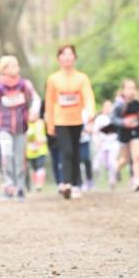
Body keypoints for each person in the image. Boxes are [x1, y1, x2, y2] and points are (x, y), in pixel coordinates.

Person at [44, 44, 95, 200]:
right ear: (59, 58)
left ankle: (76, 184)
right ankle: (66, 183)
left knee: (76, 152)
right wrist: (50, 123)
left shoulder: (82, 78)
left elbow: (88, 97)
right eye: (63, 55)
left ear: (74, 57)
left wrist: (91, 115)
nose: (67, 58)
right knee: (66, 151)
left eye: (70, 54)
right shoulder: (53, 79)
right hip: (60, 120)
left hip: (77, 120)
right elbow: (49, 102)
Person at [0, 55, 40, 201]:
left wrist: (34, 111)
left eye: (17, 65)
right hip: (3, 128)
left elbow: (36, 98)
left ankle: (21, 187)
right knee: (6, 156)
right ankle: (8, 187)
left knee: (20, 159)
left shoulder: (24, 84)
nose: (17, 68)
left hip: (21, 127)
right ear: (3, 69)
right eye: (13, 65)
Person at [112, 79, 139, 191]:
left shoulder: (138, 104)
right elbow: (113, 119)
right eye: (128, 88)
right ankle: (115, 169)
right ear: (123, 90)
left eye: (133, 88)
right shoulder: (119, 104)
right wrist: (124, 122)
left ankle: (137, 180)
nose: (131, 91)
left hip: (135, 133)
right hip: (123, 133)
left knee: (137, 156)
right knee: (125, 159)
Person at [92, 100, 119, 189]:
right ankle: (98, 174)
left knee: (112, 162)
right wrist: (97, 141)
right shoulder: (100, 119)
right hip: (103, 144)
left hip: (113, 144)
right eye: (106, 107)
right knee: (105, 164)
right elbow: (95, 132)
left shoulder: (115, 118)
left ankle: (112, 181)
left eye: (110, 107)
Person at [26, 111, 49, 192]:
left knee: (40, 166)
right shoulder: (26, 125)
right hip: (30, 152)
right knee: (34, 168)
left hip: (41, 150)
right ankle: (36, 184)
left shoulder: (41, 123)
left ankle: (40, 184)